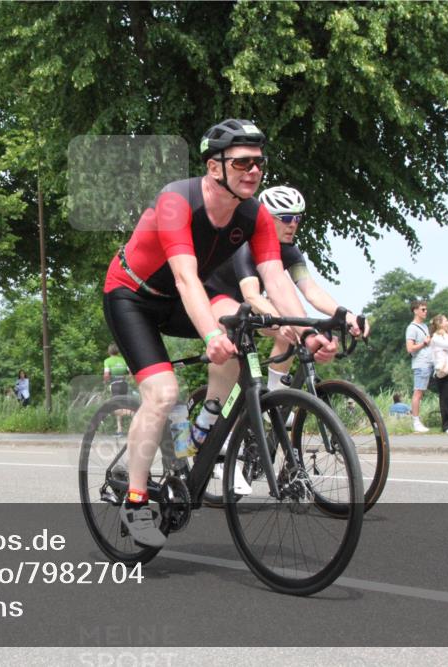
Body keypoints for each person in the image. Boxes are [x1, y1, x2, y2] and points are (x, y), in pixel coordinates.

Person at [101, 119, 338, 547]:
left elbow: (277, 280)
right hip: (133, 295)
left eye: (259, 163)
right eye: (243, 162)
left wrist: (306, 334)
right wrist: (210, 336)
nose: (254, 171)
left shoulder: (255, 216)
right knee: (162, 393)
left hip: (181, 298)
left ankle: (205, 423)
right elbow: (187, 278)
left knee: (239, 332)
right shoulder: (177, 201)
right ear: (214, 167)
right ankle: (135, 502)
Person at [204, 185, 369, 395]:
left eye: (298, 219)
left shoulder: (289, 250)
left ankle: (276, 396)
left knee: (293, 330)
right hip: (216, 297)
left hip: (246, 303)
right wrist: (281, 320)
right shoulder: (245, 243)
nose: (293, 225)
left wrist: (348, 316)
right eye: (285, 218)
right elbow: (251, 295)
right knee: (241, 341)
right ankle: (208, 417)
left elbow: (312, 292)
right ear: (266, 217)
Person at [405, 300, 433, 433]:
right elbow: (410, 348)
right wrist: (424, 343)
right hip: (421, 363)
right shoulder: (412, 328)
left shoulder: (425, 326)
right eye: (423, 309)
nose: (425, 311)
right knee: (418, 392)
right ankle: (416, 421)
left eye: (426, 309)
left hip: (429, 362)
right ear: (415, 310)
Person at [103, 344, 131, 433]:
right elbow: (131, 372)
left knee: (115, 407)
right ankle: (119, 429)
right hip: (124, 384)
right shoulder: (123, 360)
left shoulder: (107, 361)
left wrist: (105, 381)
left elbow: (106, 375)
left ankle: (134, 413)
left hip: (115, 385)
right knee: (120, 405)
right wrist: (128, 379)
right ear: (118, 352)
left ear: (109, 352)